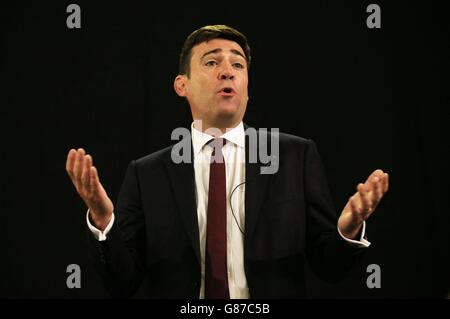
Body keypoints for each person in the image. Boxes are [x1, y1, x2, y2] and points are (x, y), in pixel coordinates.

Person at [65, 25, 389, 298]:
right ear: (183, 85)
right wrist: (104, 220)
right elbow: (123, 282)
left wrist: (348, 229)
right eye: (211, 62)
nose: (227, 71)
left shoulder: (295, 156)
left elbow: (329, 267)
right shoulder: (146, 173)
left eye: (238, 65)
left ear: (247, 88)